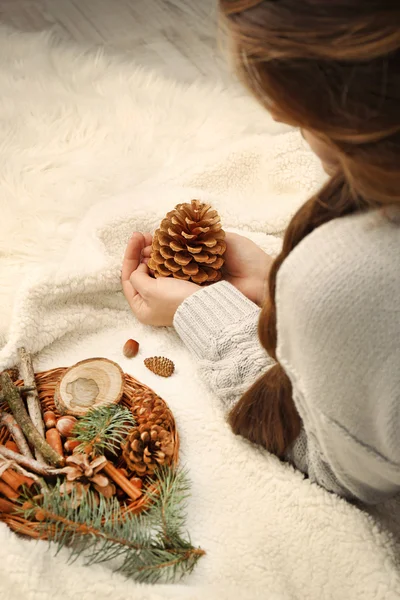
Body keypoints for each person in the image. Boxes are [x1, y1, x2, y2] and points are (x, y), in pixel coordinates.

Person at [122, 0, 400, 505]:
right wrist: (280, 287)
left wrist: (200, 311)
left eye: (287, 90)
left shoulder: (345, 273)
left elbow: (341, 468)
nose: (275, 112)